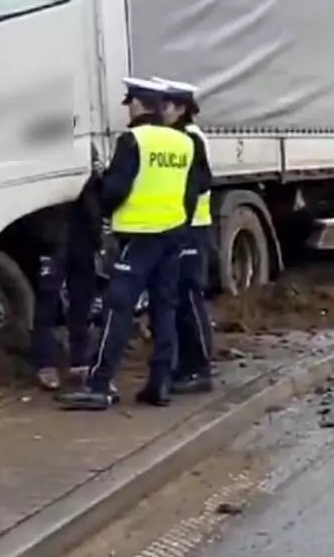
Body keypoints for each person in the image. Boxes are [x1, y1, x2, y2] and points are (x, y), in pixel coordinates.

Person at [57, 77, 211, 410]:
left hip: (139, 236)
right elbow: (192, 190)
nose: (128, 109)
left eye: (130, 103)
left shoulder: (134, 139)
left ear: (140, 105)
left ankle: (99, 385)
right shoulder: (183, 141)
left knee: (118, 306)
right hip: (173, 234)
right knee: (164, 308)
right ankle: (160, 383)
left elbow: (115, 190)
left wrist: (102, 201)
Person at [152, 77, 216, 394]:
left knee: (189, 299)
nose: (160, 111)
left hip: (192, 228)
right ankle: (187, 365)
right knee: (180, 299)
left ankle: (199, 368)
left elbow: (201, 182)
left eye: (165, 106)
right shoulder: (183, 136)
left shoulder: (190, 137)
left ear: (180, 108)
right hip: (186, 226)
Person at [29, 167, 103, 390]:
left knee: (82, 302)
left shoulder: (83, 157)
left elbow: (97, 196)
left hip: (82, 238)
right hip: (52, 238)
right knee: (47, 301)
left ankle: (78, 361)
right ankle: (46, 363)